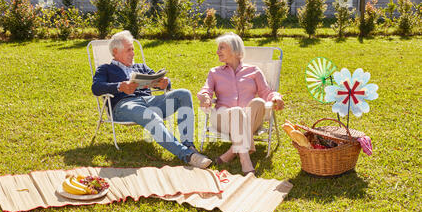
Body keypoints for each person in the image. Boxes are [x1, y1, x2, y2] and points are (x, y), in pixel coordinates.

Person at [92, 30, 211, 169]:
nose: (133, 53)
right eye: (128, 50)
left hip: (149, 100)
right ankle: (188, 155)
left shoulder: (140, 67)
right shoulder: (105, 69)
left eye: (133, 49)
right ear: (115, 52)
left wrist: (165, 83)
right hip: (124, 105)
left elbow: (157, 79)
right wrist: (120, 86)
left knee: (184, 93)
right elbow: (96, 87)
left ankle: (188, 145)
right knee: (150, 114)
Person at [197, 32, 284, 174]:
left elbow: (266, 92)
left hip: (249, 118)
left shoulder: (254, 71)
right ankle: (245, 159)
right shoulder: (214, 72)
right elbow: (206, 90)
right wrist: (205, 97)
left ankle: (232, 151)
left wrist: (276, 97)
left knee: (258, 102)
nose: (217, 51)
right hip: (223, 118)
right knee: (237, 111)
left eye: (221, 48)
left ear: (235, 50)